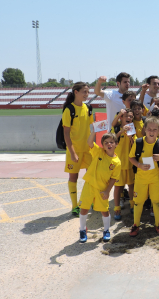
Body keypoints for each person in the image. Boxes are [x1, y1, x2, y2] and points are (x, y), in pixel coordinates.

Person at [128, 116, 159, 237]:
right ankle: (136, 225)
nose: (151, 132)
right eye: (149, 129)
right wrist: (139, 165)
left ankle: (158, 224)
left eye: (154, 129)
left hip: (155, 179)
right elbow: (131, 157)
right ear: (144, 129)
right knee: (138, 202)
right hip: (140, 178)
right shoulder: (138, 142)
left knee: (156, 202)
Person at [78, 131, 121, 243]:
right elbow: (89, 142)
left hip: (102, 189)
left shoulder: (117, 162)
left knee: (104, 211)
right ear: (103, 145)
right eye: (106, 142)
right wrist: (94, 131)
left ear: (116, 144)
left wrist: (107, 191)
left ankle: (106, 230)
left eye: (111, 142)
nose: (109, 144)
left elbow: (113, 179)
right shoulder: (98, 152)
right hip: (89, 186)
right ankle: (82, 229)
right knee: (84, 209)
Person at [62, 82, 93, 217]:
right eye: (84, 92)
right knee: (73, 178)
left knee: (90, 177)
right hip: (74, 150)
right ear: (76, 92)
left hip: (88, 149)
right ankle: (75, 206)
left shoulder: (89, 107)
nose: (87, 94)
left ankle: (88, 200)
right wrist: (73, 152)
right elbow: (66, 134)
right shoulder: (69, 109)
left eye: (88, 92)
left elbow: (92, 128)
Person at [111, 109, 135, 220]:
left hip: (129, 164)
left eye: (131, 116)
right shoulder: (116, 129)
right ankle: (117, 209)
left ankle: (132, 205)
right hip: (118, 165)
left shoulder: (132, 130)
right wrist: (121, 131)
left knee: (131, 186)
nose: (129, 118)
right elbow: (112, 142)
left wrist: (131, 138)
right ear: (121, 118)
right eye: (126, 116)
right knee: (118, 187)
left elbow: (135, 146)